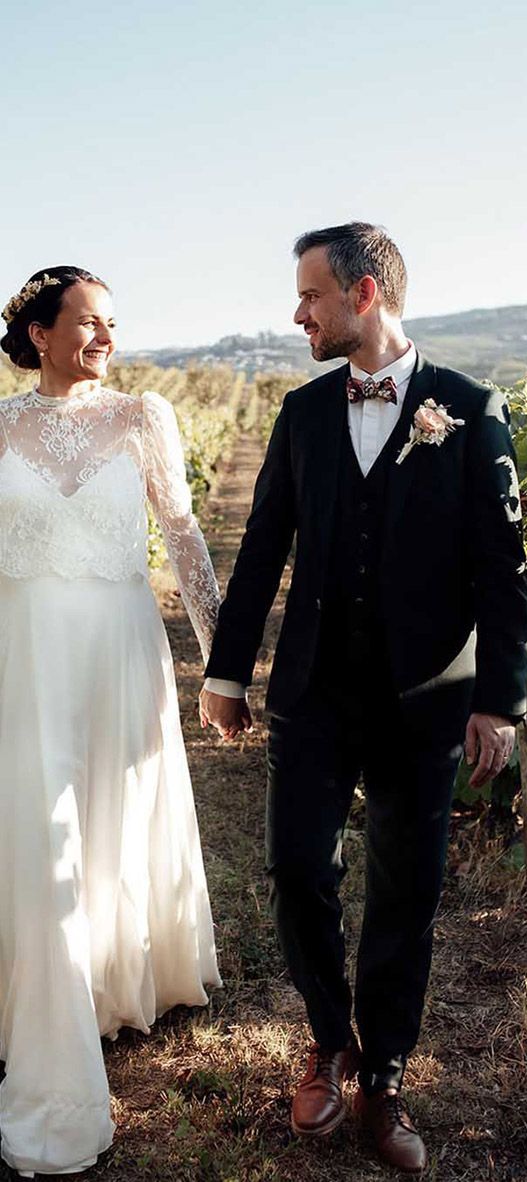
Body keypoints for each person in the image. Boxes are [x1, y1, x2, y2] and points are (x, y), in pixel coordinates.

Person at [200, 223, 527, 1173]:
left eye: (309, 295)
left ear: (365, 295)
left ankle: (383, 1075)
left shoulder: (469, 409)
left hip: (426, 699)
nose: (296, 312)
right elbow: (260, 548)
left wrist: (500, 701)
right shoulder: (302, 415)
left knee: (407, 889)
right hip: (312, 690)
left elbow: (502, 576)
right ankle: (326, 1040)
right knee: (297, 868)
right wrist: (228, 675)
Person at [0, 266, 222, 1177]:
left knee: (106, 812)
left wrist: (225, 663)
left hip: (119, 651)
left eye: (114, 325)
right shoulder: (0, 426)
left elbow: (184, 532)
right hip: (23, 653)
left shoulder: (144, 417)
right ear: (40, 333)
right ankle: (43, 998)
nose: (106, 340)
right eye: (89, 323)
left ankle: (109, 970)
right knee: (33, 815)